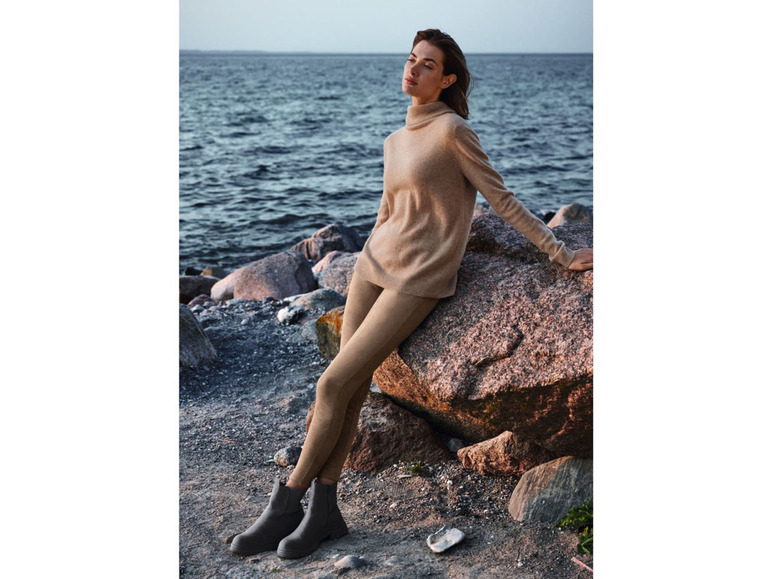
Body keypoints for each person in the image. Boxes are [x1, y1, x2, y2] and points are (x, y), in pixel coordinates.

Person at [229, 28, 594, 559]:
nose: (414, 69)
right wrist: (363, 259)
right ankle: (325, 512)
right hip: (372, 268)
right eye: (411, 59)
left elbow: (502, 198)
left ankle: (285, 504)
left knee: (330, 385)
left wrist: (560, 251)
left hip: (418, 279)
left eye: (428, 64)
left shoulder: (453, 132)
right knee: (351, 390)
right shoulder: (396, 140)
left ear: (446, 80)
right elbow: (387, 212)